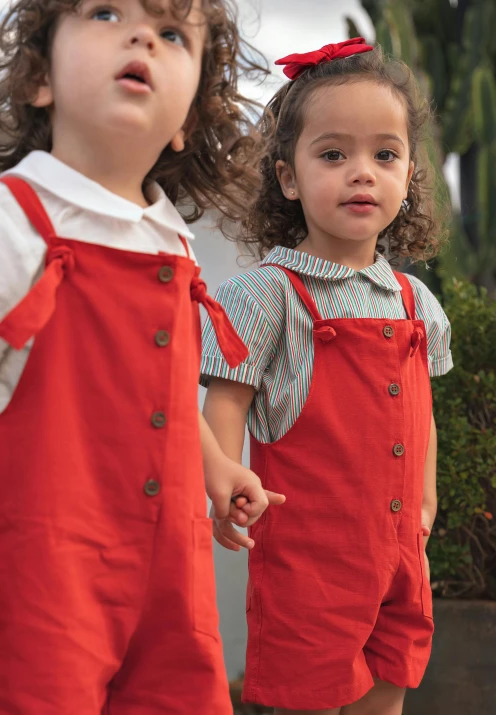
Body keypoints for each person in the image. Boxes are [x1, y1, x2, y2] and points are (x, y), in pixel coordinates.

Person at [0, 1, 284, 712]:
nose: (143, 33)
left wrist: (217, 467)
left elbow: (172, 389)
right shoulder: (12, 215)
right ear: (39, 80)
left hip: (171, 585)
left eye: (174, 33)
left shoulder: (173, 240)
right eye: (105, 11)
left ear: (187, 121)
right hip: (38, 575)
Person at [201, 38, 453, 715]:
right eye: (333, 154)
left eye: (385, 155)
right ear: (288, 176)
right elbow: (224, 402)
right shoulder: (267, 295)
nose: (361, 173)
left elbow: (422, 411)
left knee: (388, 692)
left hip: (401, 556)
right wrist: (222, 483)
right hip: (308, 567)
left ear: (408, 177)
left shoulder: (415, 301)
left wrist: (424, 510)